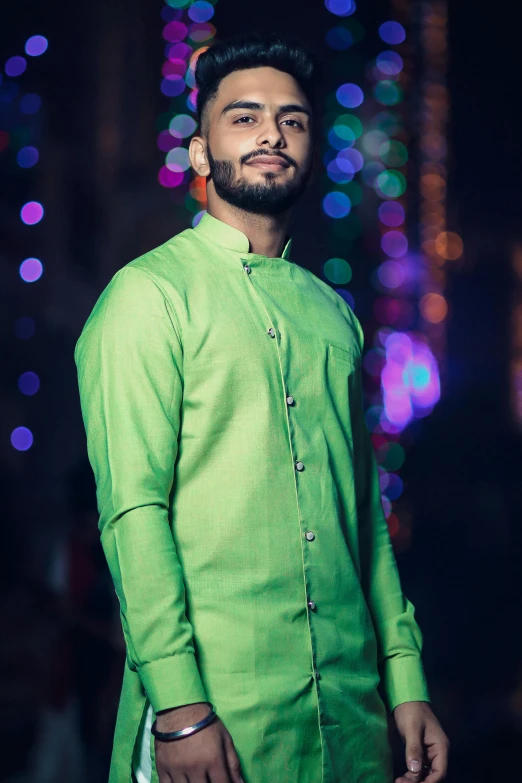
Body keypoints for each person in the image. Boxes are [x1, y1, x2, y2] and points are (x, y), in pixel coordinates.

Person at [74, 32, 449, 783]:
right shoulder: (148, 297)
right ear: (201, 153)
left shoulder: (333, 314)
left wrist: (404, 681)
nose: (273, 132)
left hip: (356, 725)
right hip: (218, 730)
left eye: (294, 120)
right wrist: (180, 708)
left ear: (310, 150)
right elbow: (134, 512)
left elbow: (362, 518)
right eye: (243, 117)